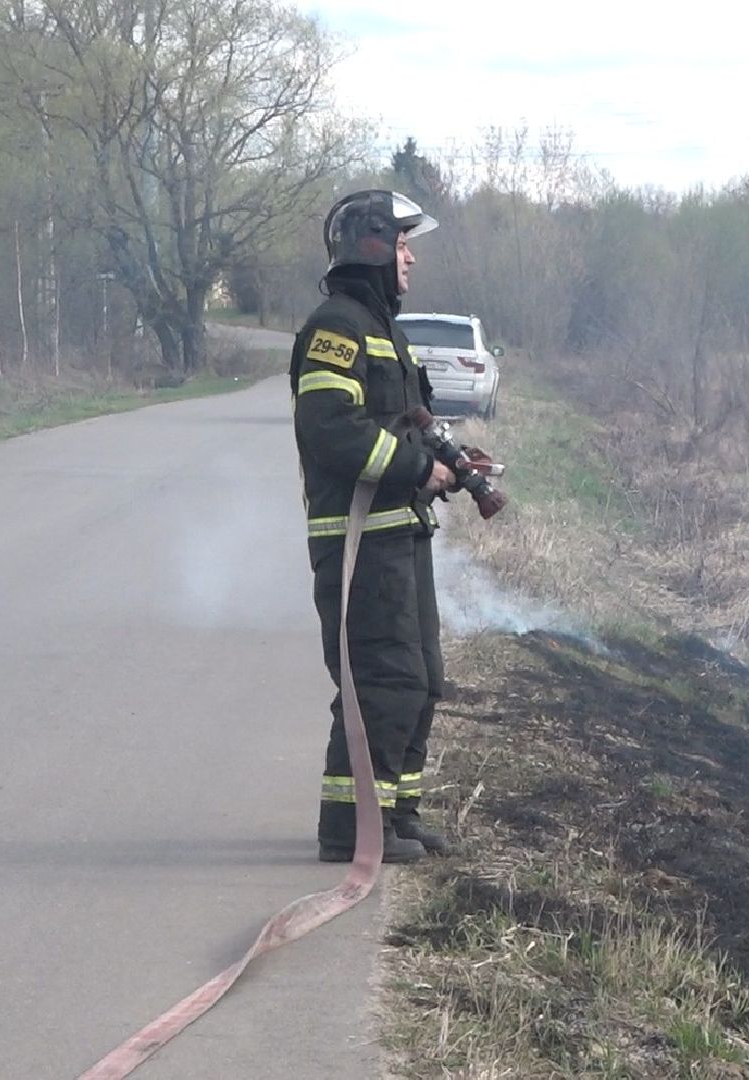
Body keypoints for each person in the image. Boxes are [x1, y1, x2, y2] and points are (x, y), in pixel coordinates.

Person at [290, 189, 458, 863]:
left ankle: (395, 812)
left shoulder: (381, 327)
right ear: (373, 246)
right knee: (382, 677)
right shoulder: (336, 327)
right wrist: (416, 470)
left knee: (421, 677)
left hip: (399, 531)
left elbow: (401, 418)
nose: (411, 257)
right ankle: (349, 830)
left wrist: (450, 462)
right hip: (359, 539)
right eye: (403, 244)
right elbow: (331, 430)